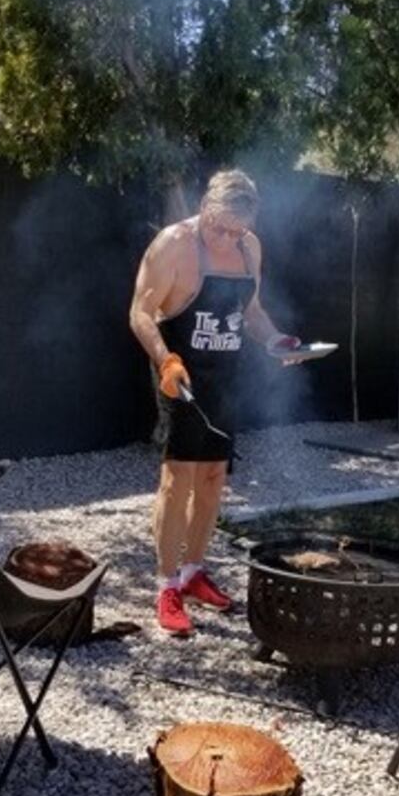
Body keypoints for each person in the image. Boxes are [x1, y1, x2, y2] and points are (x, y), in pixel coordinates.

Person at [129, 169, 300, 635]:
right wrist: (165, 363)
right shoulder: (173, 244)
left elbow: (252, 314)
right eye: (218, 227)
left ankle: (193, 572)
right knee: (177, 478)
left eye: (236, 230)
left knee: (212, 476)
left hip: (225, 374)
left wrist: (277, 341)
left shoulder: (251, 249)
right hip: (179, 372)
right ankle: (165, 584)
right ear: (204, 207)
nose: (226, 237)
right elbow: (141, 312)